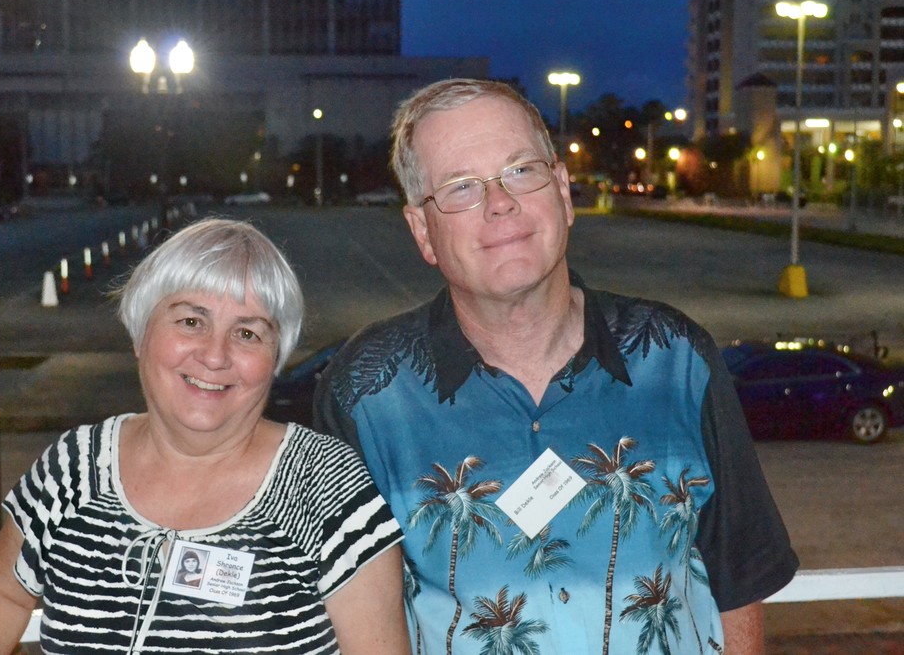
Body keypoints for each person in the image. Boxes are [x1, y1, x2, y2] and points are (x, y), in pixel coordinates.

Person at [314, 79, 798, 655]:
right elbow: (353, 620)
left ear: (563, 193)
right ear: (423, 231)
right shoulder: (365, 395)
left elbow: (739, 581)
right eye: (461, 187)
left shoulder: (677, 357)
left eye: (521, 171)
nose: (500, 202)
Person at [0, 218, 410, 654]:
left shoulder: (327, 486)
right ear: (140, 333)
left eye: (248, 333)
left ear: (276, 357)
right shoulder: (75, 467)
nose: (215, 355)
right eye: (191, 321)